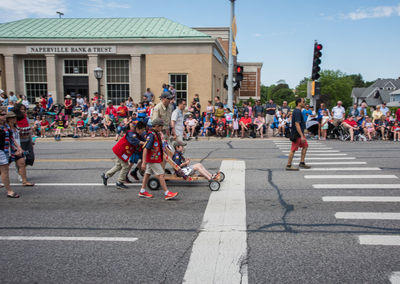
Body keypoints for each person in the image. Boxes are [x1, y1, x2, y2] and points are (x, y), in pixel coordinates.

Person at [140, 119, 178, 200]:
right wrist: (143, 162)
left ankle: (142, 191)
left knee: (147, 174)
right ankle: (167, 193)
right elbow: (145, 149)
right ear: (157, 126)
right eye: (161, 127)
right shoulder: (151, 135)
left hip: (153, 158)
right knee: (161, 174)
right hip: (152, 159)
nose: (162, 128)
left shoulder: (155, 133)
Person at [102, 121, 146, 190]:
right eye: (142, 130)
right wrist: (144, 143)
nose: (143, 132)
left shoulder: (137, 134)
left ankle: (106, 176)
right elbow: (135, 141)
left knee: (118, 166)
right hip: (121, 151)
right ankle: (120, 182)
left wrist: (147, 141)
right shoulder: (131, 134)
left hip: (121, 152)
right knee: (126, 166)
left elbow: (143, 139)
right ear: (138, 129)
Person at [6, 111, 34, 187]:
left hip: (17, 149)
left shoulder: (16, 127)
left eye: (15, 117)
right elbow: (11, 139)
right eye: (12, 118)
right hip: (9, 150)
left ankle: (24, 181)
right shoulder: (6, 128)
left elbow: (18, 138)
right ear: (8, 119)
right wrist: (17, 147)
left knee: (22, 163)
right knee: (4, 167)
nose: (15, 119)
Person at [0, 107, 21, 198]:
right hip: (0, 151)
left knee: (3, 169)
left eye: (5, 114)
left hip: (5, 150)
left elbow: (11, 138)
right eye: (2, 115)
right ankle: (9, 191)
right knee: (5, 170)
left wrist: (18, 147)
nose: (4, 116)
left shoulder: (6, 126)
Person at [286, 97, 311, 171]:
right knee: (293, 149)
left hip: (300, 134)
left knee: (305, 146)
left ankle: (302, 162)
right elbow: (297, 124)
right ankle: (289, 165)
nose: (304, 103)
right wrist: (301, 136)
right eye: (303, 102)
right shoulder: (297, 111)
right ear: (299, 103)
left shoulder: (299, 111)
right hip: (297, 134)